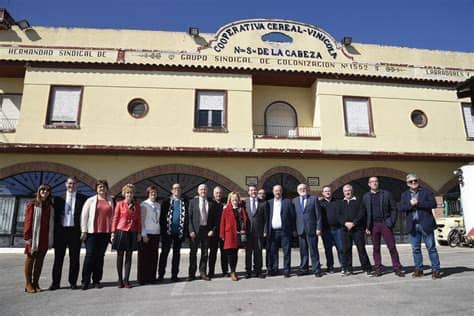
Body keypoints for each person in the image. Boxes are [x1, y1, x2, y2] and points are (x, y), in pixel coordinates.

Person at [400, 173, 441, 279]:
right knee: (415, 249)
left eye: (415, 181)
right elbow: (401, 207)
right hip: (413, 225)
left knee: (431, 248)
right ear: (407, 184)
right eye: (411, 181)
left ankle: (436, 270)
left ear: (418, 181)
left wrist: (418, 203)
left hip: (425, 224)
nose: (413, 183)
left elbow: (433, 204)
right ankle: (419, 270)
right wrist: (410, 204)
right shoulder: (404, 194)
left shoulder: (426, 192)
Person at [49, 176, 87, 290]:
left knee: (74, 259)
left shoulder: (83, 199)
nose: (72, 186)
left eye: (74, 184)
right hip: (61, 232)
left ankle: (72, 282)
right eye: (70, 183)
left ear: (77, 185)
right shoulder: (58, 199)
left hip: (75, 232)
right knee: (58, 259)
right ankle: (55, 283)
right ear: (66, 184)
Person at [361, 177, 404, 277]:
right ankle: (378, 269)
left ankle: (397, 268)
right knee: (376, 248)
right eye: (372, 182)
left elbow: (394, 208)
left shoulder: (386, 194)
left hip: (385, 224)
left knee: (392, 247)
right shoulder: (366, 196)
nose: (374, 183)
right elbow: (364, 213)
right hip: (373, 225)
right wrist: (366, 226)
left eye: (376, 181)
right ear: (369, 184)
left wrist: (392, 222)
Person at [80, 180, 114, 290]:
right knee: (90, 256)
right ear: (96, 189)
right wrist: (84, 231)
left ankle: (96, 280)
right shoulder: (90, 200)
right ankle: (85, 281)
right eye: (99, 187)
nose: (101, 189)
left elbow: (113, 217)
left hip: (105, 233)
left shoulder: (110, 201)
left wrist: (112, 232)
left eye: (103, 187)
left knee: (100, 257)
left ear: (107, 188)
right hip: (92, 233)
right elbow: (84, 216)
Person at [23, 184, 54, 293]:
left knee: (40, 262)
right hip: (34, 237)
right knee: (30, 260)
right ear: (39, 191)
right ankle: (28, 284)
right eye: (43, 189)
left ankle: (36, 283)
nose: (45, 191)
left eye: (47, 190)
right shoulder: (33, 204)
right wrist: (27, 236)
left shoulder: (50, 206)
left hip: (44, 238)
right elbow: (28, 221)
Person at [336, 184, 373, 276]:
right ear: (343, 192)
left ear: (352, 191)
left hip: (357, 229)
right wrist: (345, 223)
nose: (347, 192)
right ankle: (348, 269)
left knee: (361, 249)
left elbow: (361, 213)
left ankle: (367, 269)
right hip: (345, 230)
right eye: (345, 191)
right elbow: (338, 215)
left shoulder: (359, 201)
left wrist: (353, 223)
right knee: (346, 250)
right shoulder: (340, 203)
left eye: (349, 190)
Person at [112, 184, 142, 288]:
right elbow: (115, 218)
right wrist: (113, 232)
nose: (129, 194)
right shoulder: (119, 204)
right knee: (120, 256)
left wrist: (139, 232)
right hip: (121, 231)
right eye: (127, 192)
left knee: (129, 257)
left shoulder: (137, 205)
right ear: (124, 194)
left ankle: (126, 280)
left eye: (131, 192)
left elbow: (138, 221)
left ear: (133, 194)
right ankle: (120, 280)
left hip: (132, 232)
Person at [158, 183, 188, 282]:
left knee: (176, 254)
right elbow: (162, 218)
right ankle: (161, 275)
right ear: (171, 190)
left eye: (179, 188)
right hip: (167, 232)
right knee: (164, 253)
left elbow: (187, 218)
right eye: (175, 188)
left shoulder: (185, 202)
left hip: (178, 232)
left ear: (181, 190)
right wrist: (162, 231)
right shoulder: (166, 202)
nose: (177, 190)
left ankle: (174, 275)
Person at [188, 184, 218, 281]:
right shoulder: (192, 202)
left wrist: (212, 230)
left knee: (205, 253)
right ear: (198, 191)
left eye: (205, 189)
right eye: (201, 189)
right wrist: (191, 230)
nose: (203, 191)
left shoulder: (211, 203)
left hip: (206, 231)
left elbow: (215, 220)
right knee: (193, 253)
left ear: (207, 191)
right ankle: (191, 274)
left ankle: (203, 273)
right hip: (195, 231)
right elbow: (189, 218)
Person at [292, 183, 323, 277]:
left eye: (304, 188)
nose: (302, 190)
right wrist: (294, 229)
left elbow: (319, 216)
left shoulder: (313, 199)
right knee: (303, 250)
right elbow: (293, 217)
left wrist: (318, 228)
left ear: (307, 189)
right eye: (300, 189)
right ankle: (304, 269)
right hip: (300, 230)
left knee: (313, 250)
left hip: (312, 229)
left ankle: (316, 269)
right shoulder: (294, 201)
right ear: (297, 191)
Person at [267, 185, 296, 277]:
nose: (277, 192)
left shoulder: (288, 202)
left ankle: (287, 270)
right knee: (273, 252)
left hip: (285, 231)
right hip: (273, 231)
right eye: (276, 190)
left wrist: (293, 229)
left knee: (286, 251)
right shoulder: (269, 203)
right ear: (273, 192)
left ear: (282, 191)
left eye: (279, 190)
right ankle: (274, 269)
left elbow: (293, 216)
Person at [220, 192, 248, 281]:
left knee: (235, 254)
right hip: (229, 234)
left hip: (238, 235)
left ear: (238, 200)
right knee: (229, 254)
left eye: (236, 199)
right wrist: (222, 234)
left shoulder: (241, 208)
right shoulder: (226, 209)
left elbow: (245, 220)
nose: (234, 201)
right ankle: (232, 272)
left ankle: (233, 271)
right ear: (230, 200)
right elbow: (222, 223)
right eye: (233, 199)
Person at [137, 185, 161, 285]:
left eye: (155, 193)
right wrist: (144, 234)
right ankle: (142, 278)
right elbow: (141, 221)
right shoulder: (144, 205)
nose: (153, 194)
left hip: (156, 233)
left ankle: (152, 278)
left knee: (153, 257)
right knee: (144, 257)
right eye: (151, 192)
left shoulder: (158, 205)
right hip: (146, 234)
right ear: (148, 193)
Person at [319, 185, 345, 274]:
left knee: (341, 248)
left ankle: (343, 266)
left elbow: (342, 214)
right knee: (328, 249)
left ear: (331, 192)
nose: (327, 192)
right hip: (326, 230)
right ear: (322, 193)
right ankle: (330, 267)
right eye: (325, 191)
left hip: (338, 229)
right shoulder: (319, 203)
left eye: (329, 191)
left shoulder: (338, 202)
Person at [245, 185, 267, 278]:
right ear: (248, 192)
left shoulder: (263, 203)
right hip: (248, 232)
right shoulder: (244, 203)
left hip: (259, 231)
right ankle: (248, 271)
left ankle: (258, 271)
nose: (253, 191)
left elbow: (266, 218)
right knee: (248, 253)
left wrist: (265, 230)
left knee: (258, 252)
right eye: (251, 190)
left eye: (254, 190)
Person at [208, 186, 228, 278]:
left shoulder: (225, 205)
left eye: (220, 193)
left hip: (223, 232)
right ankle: (211, 272)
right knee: (213, 253)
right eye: (216, 193)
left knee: (224, 253)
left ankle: (225, 271)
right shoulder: (210, 204)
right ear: (213, 194)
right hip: (213, 233)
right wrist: (211, 230)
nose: (218, 194)